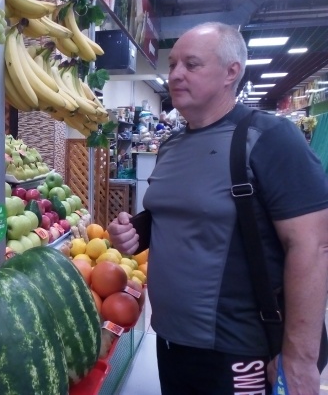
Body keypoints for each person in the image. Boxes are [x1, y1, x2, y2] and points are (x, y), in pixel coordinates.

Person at [107, 22, 328, 394]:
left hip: (240, 349)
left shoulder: (270, 138)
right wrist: (135, 231)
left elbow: (312, 246)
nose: (176, 74)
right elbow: (180, 214)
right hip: (171, 341)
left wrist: (301, 358)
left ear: (231, 72)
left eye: (191, 64)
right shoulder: (171, 145)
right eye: (172, 64)